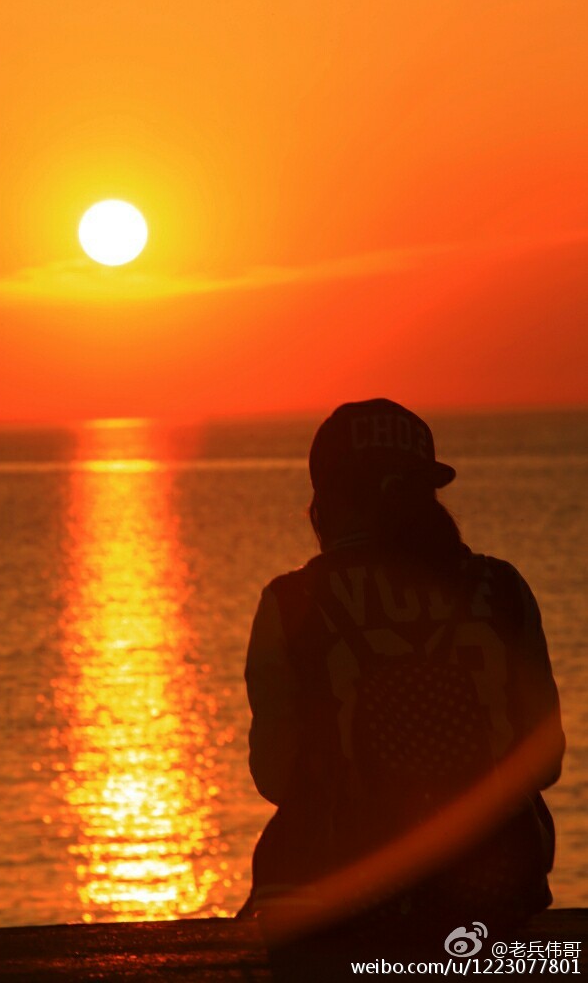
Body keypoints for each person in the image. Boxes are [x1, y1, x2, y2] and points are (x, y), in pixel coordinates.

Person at [241, 399, 565, 977]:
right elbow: (545, 762)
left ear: (328, 502)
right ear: (427, 493)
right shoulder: (502, 587)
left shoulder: (291, 604)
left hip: (344, 919)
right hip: (493, 902)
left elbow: (276, 775)